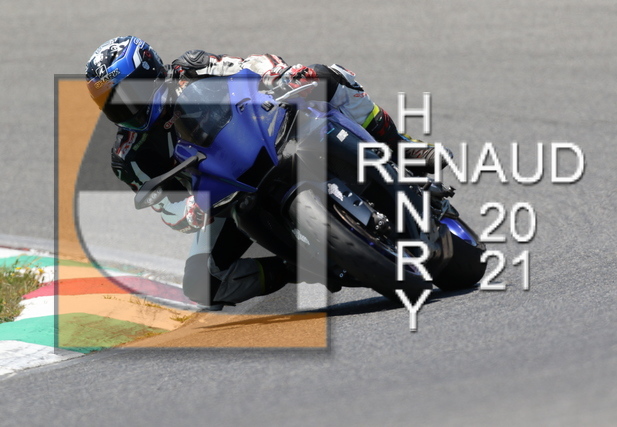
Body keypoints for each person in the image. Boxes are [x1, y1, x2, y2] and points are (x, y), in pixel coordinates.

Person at [85, 36, 445, 309]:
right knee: (201, 284)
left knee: (324, 76)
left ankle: (400, 146)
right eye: (110, 104)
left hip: (271, 132)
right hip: (227, 195)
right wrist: (188, 211)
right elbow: (166, 207)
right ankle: (296, 266)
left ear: (150, 72)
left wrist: (279, 74)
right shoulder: (129, 157)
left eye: (127, 94)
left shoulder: (191, 67)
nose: (124, 109)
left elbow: (251, 65)